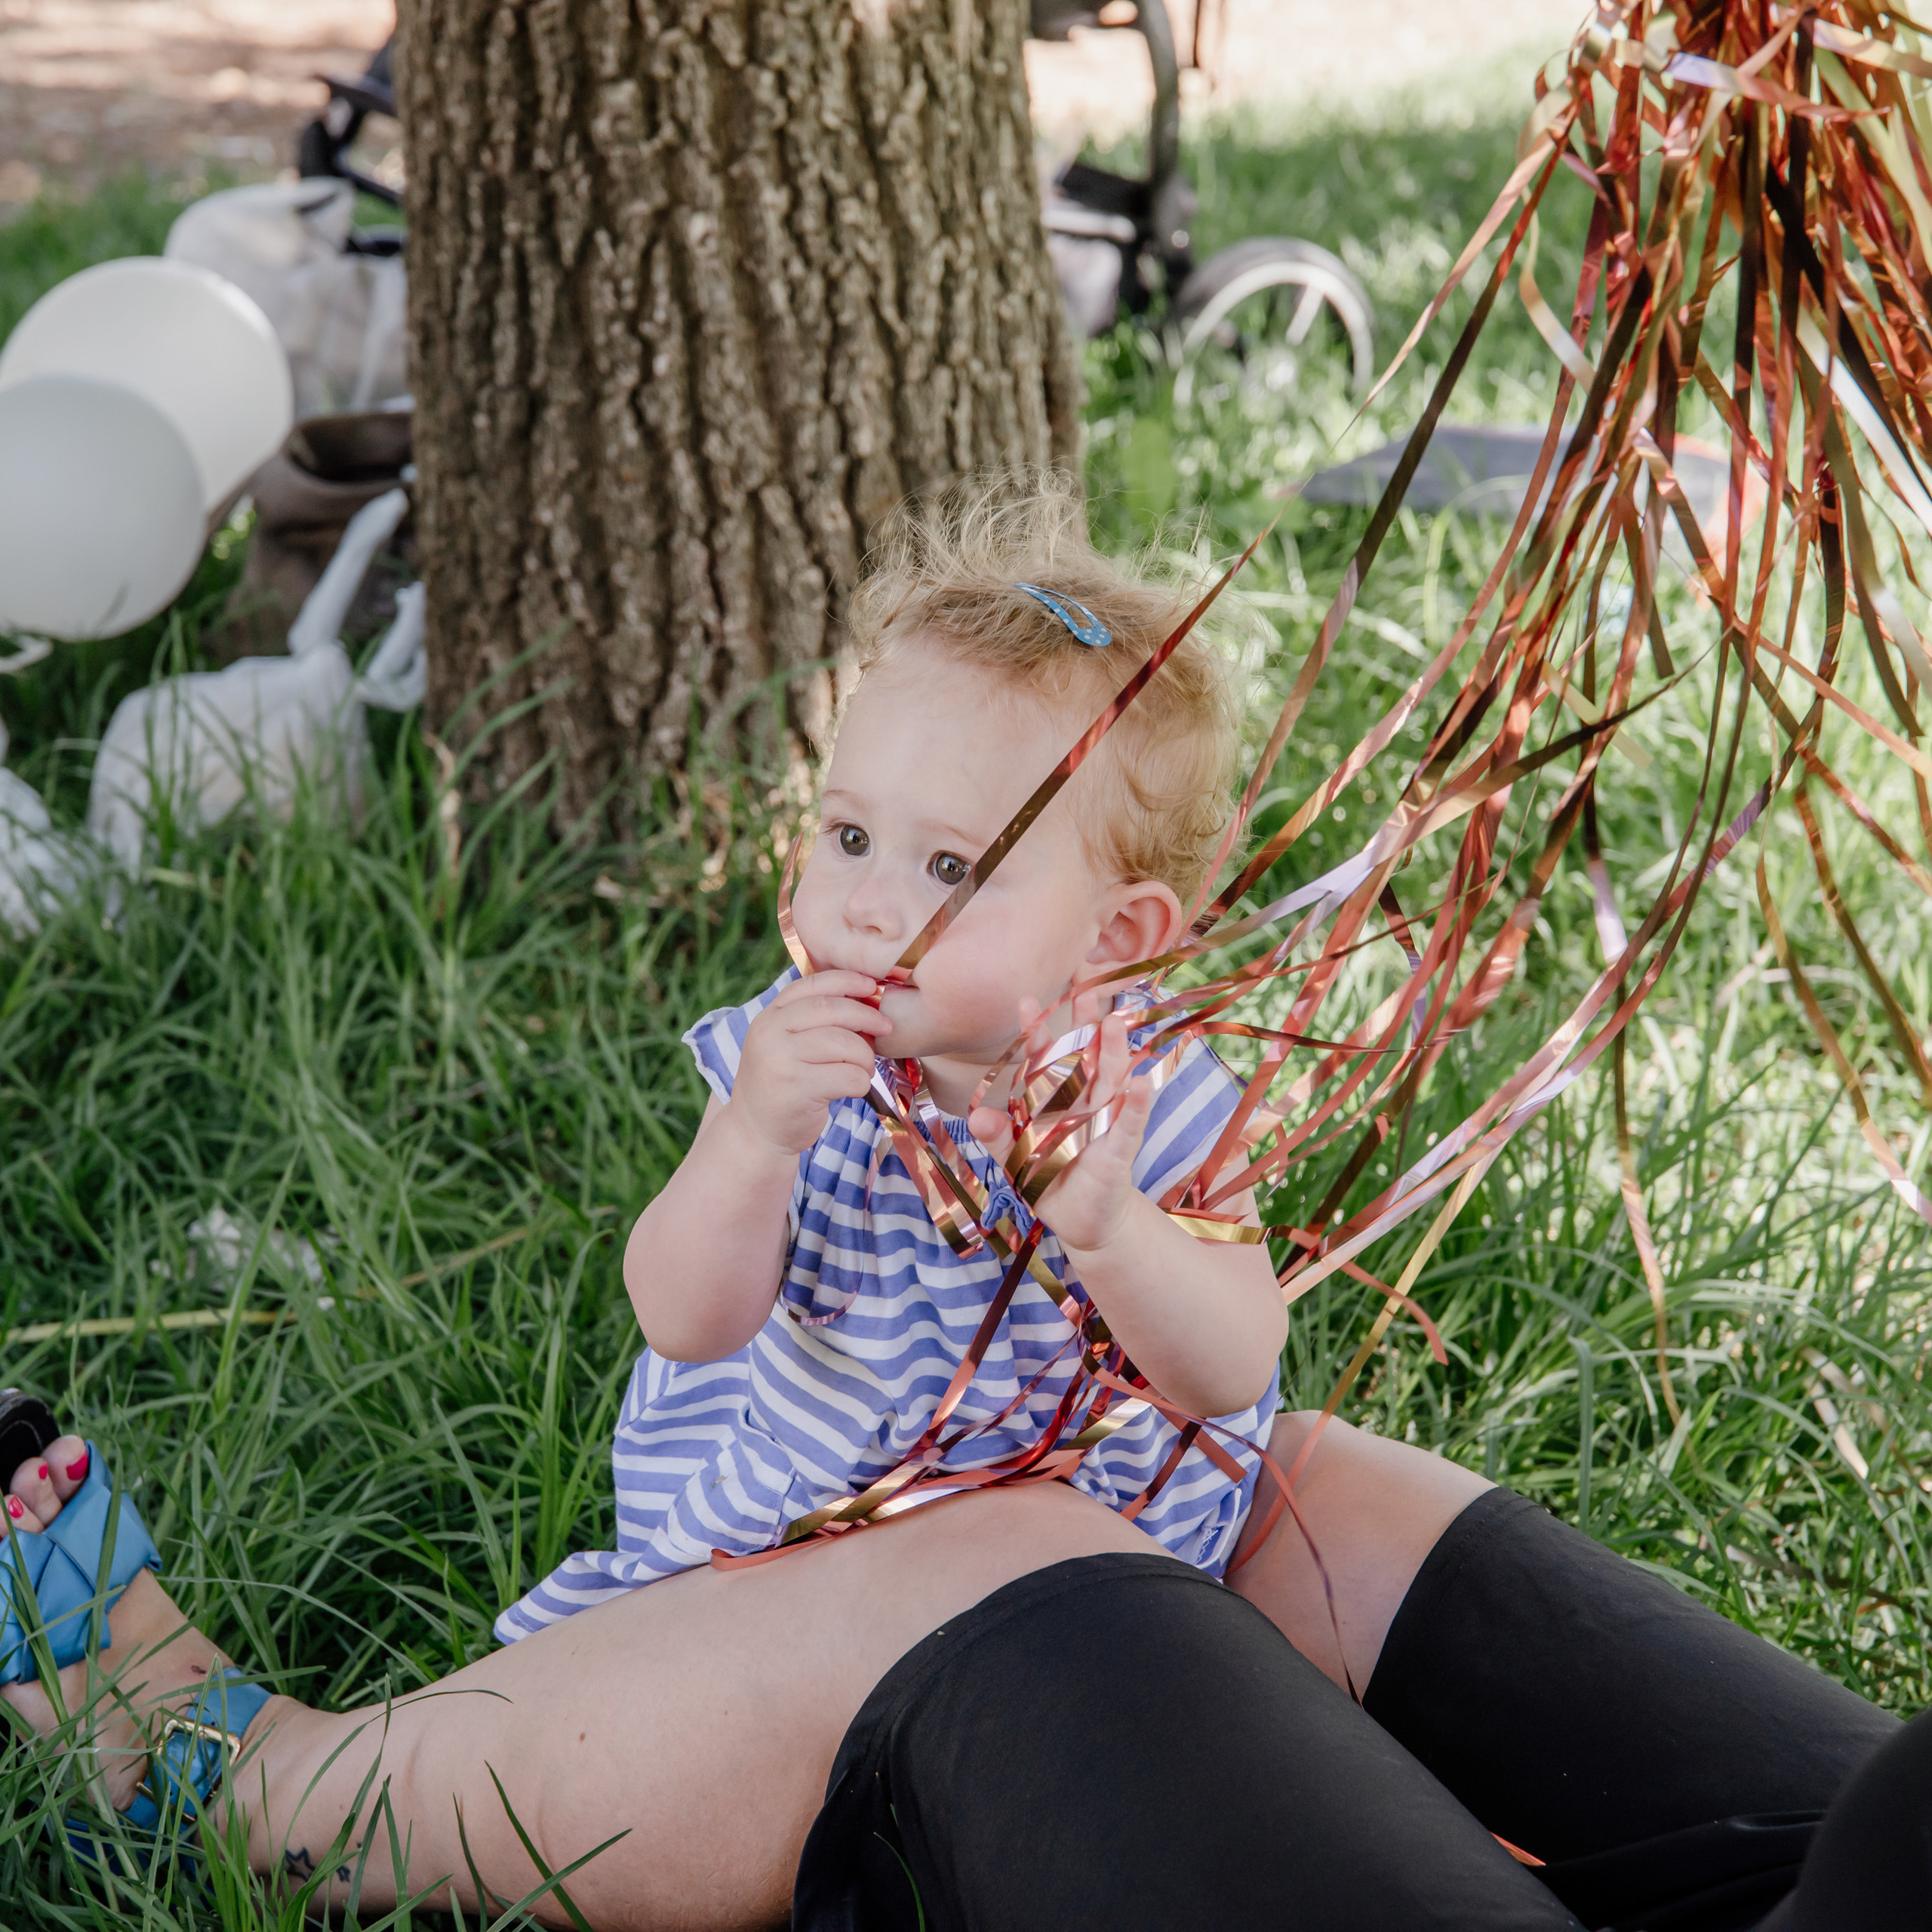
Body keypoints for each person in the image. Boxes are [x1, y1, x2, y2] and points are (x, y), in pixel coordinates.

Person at [0, 477, 1916, 1930]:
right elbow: (678, 1308)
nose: (865, 904)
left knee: (1237, 1483)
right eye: (846, 838)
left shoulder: (1151, 1087)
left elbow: (1234, 1343)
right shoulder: (791, 1061)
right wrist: (744, 1141)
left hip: (1077, 1483)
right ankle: (258, 1780)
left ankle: (257, 1778)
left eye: (946, 865)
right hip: (796, 1516)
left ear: (1124, 933)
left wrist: (1106, 1219)